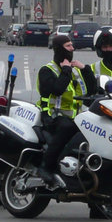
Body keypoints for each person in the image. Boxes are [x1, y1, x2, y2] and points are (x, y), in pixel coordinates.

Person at [36, 34, 96, 185]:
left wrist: (85, 69)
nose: (72, 49)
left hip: (75, 116)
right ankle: (46, 167)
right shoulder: (47, 70)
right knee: (67, 128)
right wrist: (66, 71)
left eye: (72, 45)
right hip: (52, 116)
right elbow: (57, 89)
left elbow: (92, 90)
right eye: (68, 46)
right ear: (58, 49)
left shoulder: (74, 70)